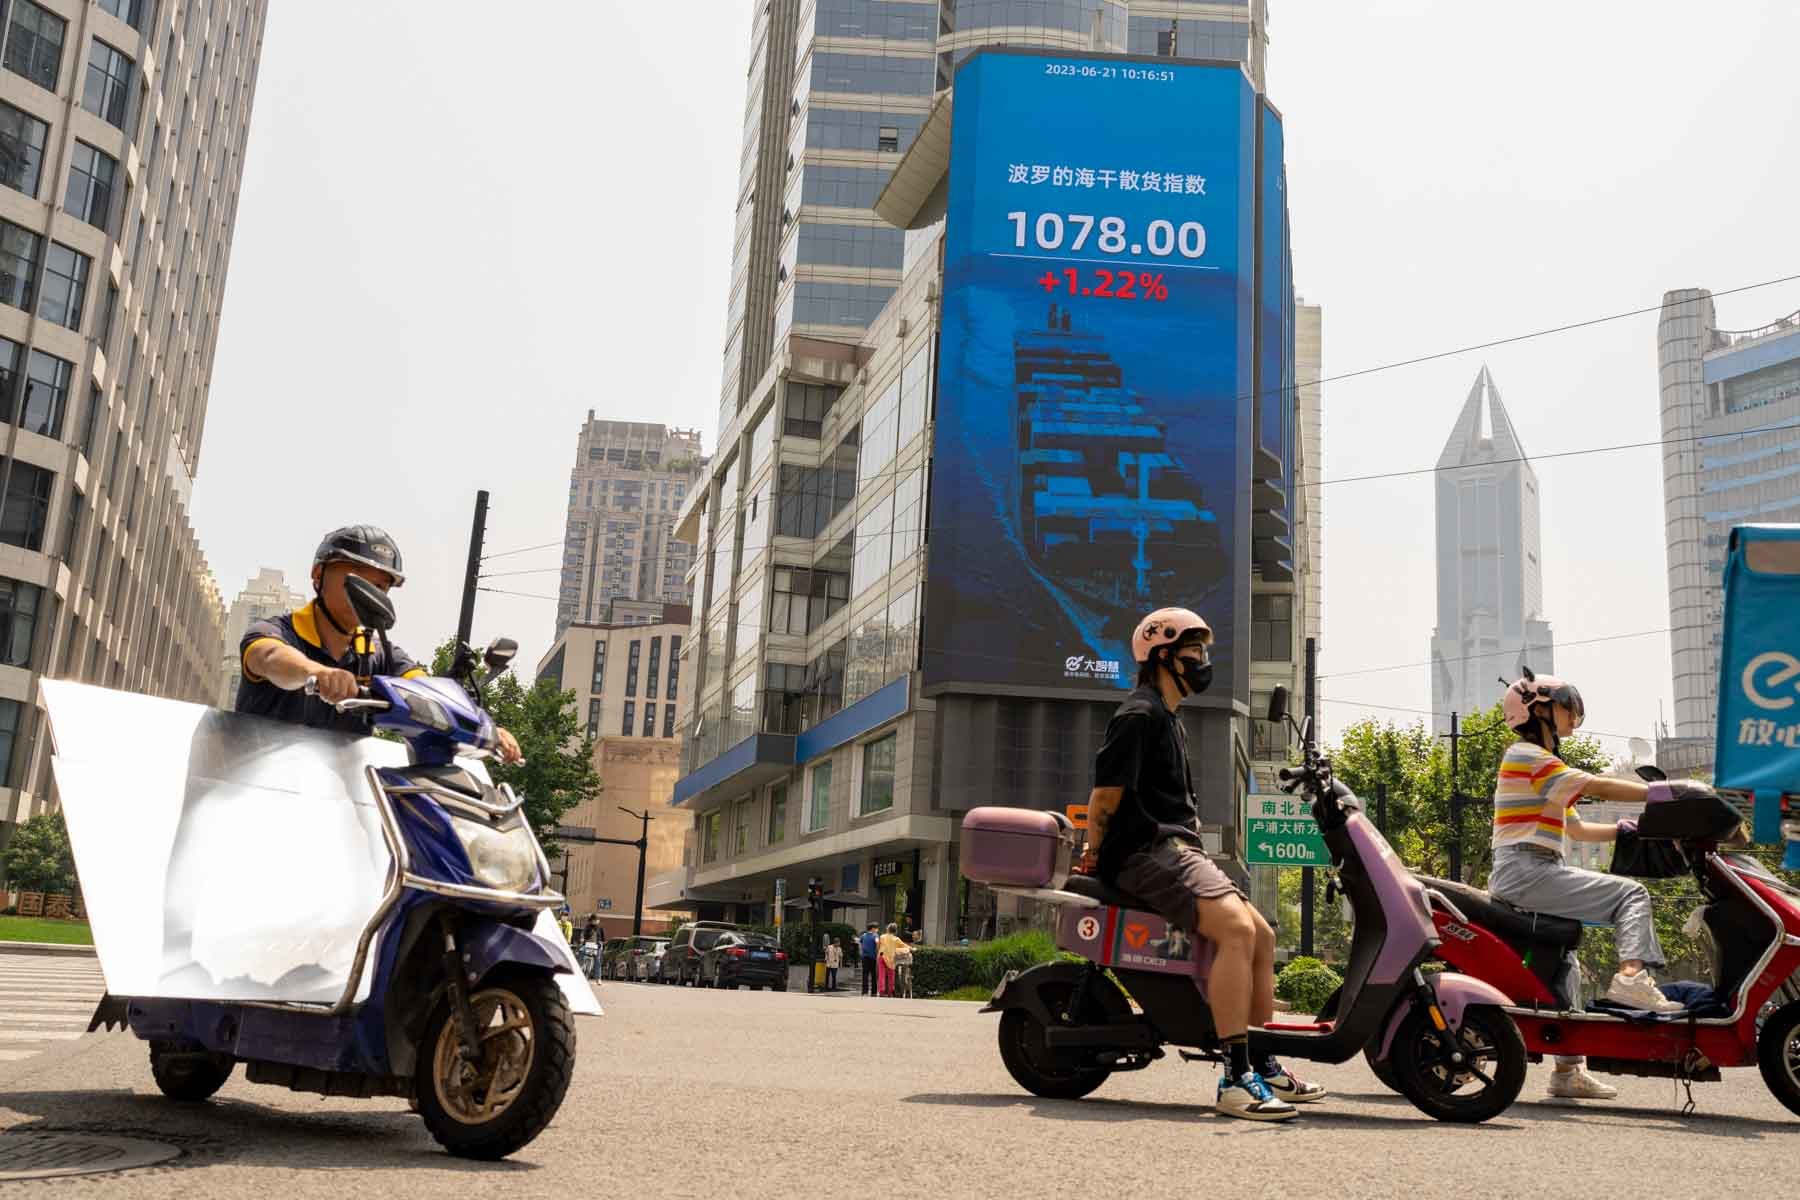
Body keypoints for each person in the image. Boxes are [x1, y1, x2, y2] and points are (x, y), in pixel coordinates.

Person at [1079, 608, 1325, 1122]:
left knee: (1261, 934)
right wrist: (1093, 856)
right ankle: (1235, 1079)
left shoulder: (1169, 718)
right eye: (1196, 652)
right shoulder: (1139, 716)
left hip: (1176, 850)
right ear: (1164, 656)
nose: (1204, 662)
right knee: (1236, 930)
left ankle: (1258, 1056)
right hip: (1147, 852)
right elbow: (1104, 799)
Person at [1489, 670, 1679, 1101]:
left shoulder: (1539, 769)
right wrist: (1665, 794)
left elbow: (1575, 831)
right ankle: (1632, 977)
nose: (1574, 716)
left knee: (1565, 960)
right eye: (1565, 705)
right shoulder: (1526, 755)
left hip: (1531, 869)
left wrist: (1629, 831)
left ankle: (1568, 1072)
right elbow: (1590, 784)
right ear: (1537, 710)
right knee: (1631, 894)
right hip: (1527, 870)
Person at [237, 525, 523, 760]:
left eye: (381, 588)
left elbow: (426, 692)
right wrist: (318, 673)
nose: (369, 594)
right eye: (357, 579)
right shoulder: (276, 632)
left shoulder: (380, 654)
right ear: (318, 574)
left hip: (338, 801)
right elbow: (269, 657)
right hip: (259, 789)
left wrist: (488, 729)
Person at [877, 923, 908, 997]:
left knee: (881, 975)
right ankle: (890, 992)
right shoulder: (896, 939)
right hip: (891, 958)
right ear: (895, 931)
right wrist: (912, 948)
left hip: (882, 956)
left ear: (888, 929)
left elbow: (878, 946)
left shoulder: (882, 937)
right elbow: (905, 946)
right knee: (891, 976)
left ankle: (881, 991)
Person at [859, 923, 880, 996]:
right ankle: (874, 992)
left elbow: (860, 942)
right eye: (876, 928)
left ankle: (864, 991)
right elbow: (877, 944)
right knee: (874, 975)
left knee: (865, 974)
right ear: (873, 928)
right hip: (873, 958)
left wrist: (862, 952)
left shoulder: (863, 935)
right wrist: (877, 953)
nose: (877, 930)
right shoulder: (875, 936)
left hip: (864, 957)